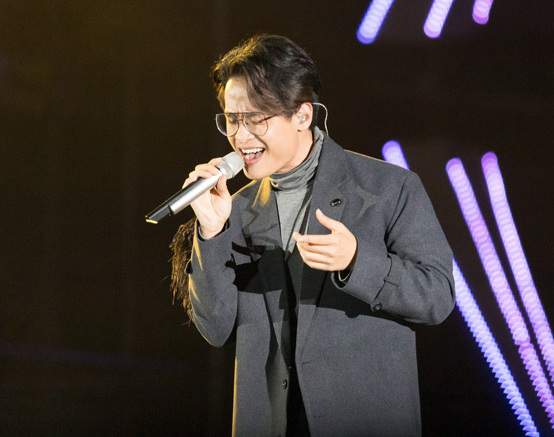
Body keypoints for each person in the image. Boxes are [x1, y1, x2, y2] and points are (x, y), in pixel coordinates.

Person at [171, 34, 455, 436]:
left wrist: (356, 261)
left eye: (256, 119)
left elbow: (437, 297)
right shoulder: (235, 208)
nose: (241, 136)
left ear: (303, 116)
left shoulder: (388, 188)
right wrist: (212, 231)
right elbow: (216, 328)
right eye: (232, 120)